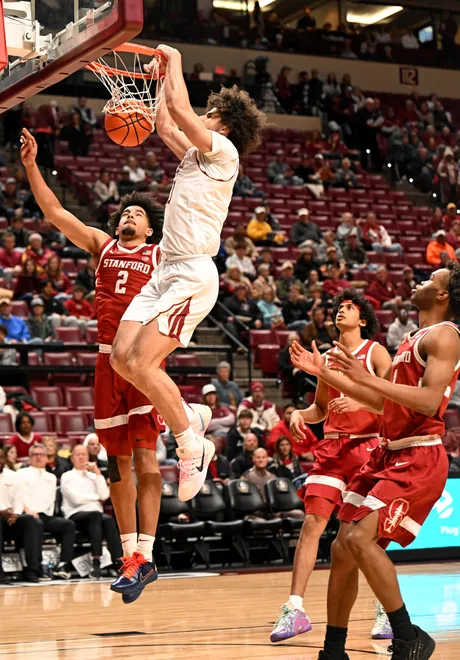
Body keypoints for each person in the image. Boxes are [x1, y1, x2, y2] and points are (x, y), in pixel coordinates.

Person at [21, 130, 204, 604]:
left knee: (145, 457)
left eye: (137, 214)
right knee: (115, 465)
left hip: (140, 361)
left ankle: (148, 550)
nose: (128, 216)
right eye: (125, 212)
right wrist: (31, 168)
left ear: (150, 229)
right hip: (106, 363)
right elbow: (56, 214)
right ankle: (132, 559)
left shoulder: (162, 255)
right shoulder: (101, 245)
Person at [108, 46, 266, 505]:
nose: (204, 115)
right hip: (165, 271)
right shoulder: (195, 157)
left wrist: (172, 59)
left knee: (140, 363)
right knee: (121, 359)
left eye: (211, 112)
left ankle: (191, 442)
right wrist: (158, 79)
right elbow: (164, 123)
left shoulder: (225, 153)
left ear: (224, 123)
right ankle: (189, 415)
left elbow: (180, 109)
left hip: (193, 275)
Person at [289, 264, 460, 659]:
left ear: (443, 295)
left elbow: (430, 401)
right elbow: (385, 404)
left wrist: (363, 380)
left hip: (418, 454)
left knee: (359, 538)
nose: (420, 280)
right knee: (342, 548)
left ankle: (407, 634)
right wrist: (326, 375)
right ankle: (334, 650)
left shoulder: (446, 336)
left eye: (431, 279)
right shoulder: (412, 339)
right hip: (388, 451)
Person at [271, 289, 392, 646]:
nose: (341, 311)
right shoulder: (325, 358)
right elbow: (321, 409)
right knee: (312, 522)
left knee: (363, 537)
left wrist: (357, 399)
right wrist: (298, 413)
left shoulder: (376, 352)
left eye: (350, 308)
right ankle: (295, 609)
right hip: (332, 448)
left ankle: (385, 608)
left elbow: (391, 399)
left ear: (364, 320)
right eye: (338, 307)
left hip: (368, 447)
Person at [61, 445, 123, 578]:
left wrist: (99, 475)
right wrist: (96, 499)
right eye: (78, 454)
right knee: (97, 516)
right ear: (72, 459)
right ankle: (96, 561)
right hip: (75, 514)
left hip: (95, 516)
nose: (81, 457)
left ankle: (118, 561)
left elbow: (105, 496)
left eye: (84, 454)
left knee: (108, 520)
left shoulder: (94, 476)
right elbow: (76, 499)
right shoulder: (67, 476)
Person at [16, 443, 76, 579]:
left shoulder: (51, 477)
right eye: (35, 454)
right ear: (29, 458)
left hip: (45, 515)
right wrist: (27, 509)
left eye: (41, 454)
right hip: (25, 515)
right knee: (34, 523)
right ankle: (33, 569)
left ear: (46, 458)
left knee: (68, 525)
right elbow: (17, 496)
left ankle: (63, 565)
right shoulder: (21, 473)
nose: (38, 457)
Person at [0, 447, 45, 584]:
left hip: (11, 518)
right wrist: (3, 512)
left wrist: (16, 513)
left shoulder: (14, 476)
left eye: (1, 457)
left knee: (31, 521)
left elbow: (19, 497)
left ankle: (31, 569)